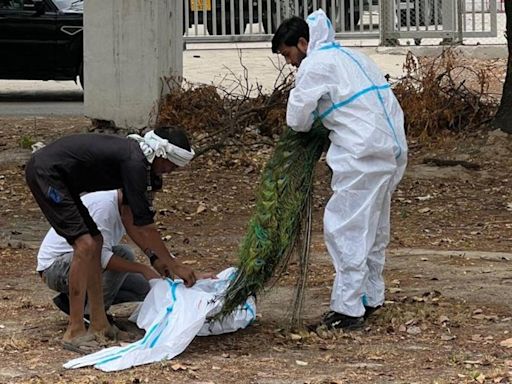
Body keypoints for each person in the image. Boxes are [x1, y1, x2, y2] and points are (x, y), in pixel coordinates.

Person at [272, 9, 408, 330]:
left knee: (345, 228)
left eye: (289, 54)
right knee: (374, 227)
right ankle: (370, 296)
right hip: (391, 149)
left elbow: (297, 120)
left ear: (303, 43)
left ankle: (348, 310)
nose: (290, 62)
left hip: (361, 154)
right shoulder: (352, 57)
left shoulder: (316, 65)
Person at [25, 126, 200, 348]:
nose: (170, 171)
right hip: (46, 173)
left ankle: (99, 324)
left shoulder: (142, 167)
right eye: (170, 165)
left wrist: (155, 257)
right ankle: (74, 330)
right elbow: (145, 225)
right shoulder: (135, 163)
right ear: (160, 154)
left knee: (96, 243)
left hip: (64, 180)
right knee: (86, 244)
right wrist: (174, 264)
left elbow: (130, 218)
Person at [37, 189, 160, 322]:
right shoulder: (104, 208)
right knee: (124, 254)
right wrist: (143, 268)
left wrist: (163, 261)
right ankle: (93, 314)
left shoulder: (126, 209)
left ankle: (75, 301)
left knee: (143, 288)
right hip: (55, 267)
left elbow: (144, 235)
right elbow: (101, 257)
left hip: (81, 261)